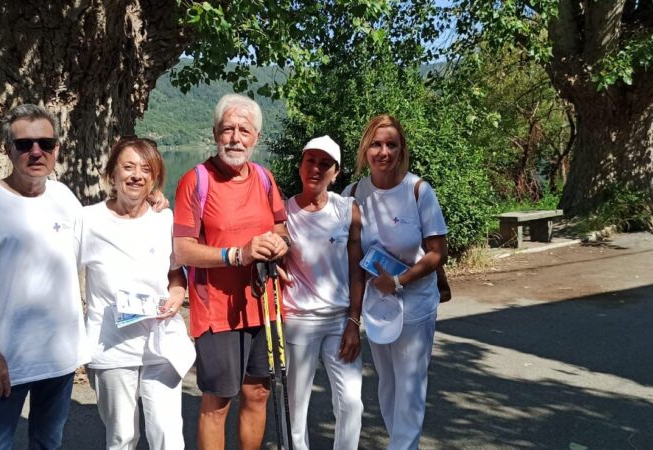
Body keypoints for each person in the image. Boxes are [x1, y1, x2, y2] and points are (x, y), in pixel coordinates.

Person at [0, 104, 90, 449]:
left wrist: (151, 202)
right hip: (6, 361)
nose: (36, 152)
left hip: (59, 357)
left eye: (46, 143)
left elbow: (103, 238)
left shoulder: (65, 197)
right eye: (24, 144)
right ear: (7, 149)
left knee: (49, 443)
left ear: (57, 148)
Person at [173, 93, 289, 450]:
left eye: (245, 130)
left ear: (256, 138)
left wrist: (280, 245)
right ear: (215, 133)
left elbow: (282, 228)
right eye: (228, 129)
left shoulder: (264, 178)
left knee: (257, 392)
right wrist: (238, 255)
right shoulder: (196, 180)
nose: (236, 138)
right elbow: (182, 249)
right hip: (217, 312)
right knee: (218, 402)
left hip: (265, 306)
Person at [75, 137, 195, 450]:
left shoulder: (164, 219)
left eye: (146, 170)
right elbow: (61, 274)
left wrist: (178, 293)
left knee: (168, 436)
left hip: (160, 341)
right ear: (111, 175)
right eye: (128, 167)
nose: (136, 175)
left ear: (154, 179)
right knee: (122, 437)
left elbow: (174, 272)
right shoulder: (88, 220)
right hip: (111, 343)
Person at [343, 115, 448, 449]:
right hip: (378, 307)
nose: (383, 151)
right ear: (365, 149)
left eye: (391, 144)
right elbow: (342, 252)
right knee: (387, 386)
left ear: (401, 149)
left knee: (410, 385)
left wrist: (400, 280)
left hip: (415, 305)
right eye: (376, 144)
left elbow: (437, 253)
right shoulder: (353, 193)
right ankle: (403, 445)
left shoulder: (418, 190)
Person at [282, 136, 365, 450]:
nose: (316, 168)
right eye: (310, 161)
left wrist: (354, 323)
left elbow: (358, 269)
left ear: (336, 173)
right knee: (295, 407)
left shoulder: (347, 209)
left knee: (351, 403)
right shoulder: (283, 211)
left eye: (325, 163)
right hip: (299, 322)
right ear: (301, 165)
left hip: (340, 322)